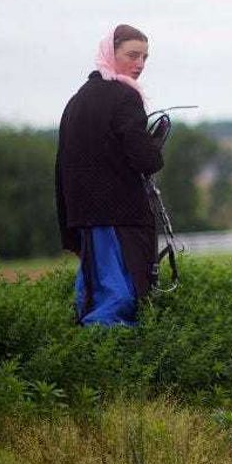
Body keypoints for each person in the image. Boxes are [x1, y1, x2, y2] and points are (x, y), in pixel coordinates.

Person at [55, 24, 163, 325]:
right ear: (110, 53)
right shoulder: (124, 97)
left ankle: (80, 355)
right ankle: (111, 363)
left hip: (84, 215)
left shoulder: (78, 99)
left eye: (144, 57)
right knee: (120, 296)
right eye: (132, 55)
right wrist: (155, 148)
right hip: (118, 216)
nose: (139, 65)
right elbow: (145, 159)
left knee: (91, 292)